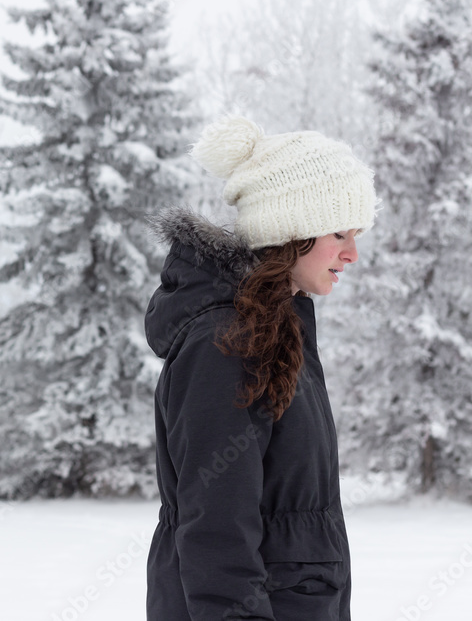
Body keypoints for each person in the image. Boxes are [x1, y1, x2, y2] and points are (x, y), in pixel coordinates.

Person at [143, 115, 381, 620]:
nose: (353, 253)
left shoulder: (280, 330)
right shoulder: (226, 342)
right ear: (288, 231)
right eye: (339, 231)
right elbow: (216, 527)